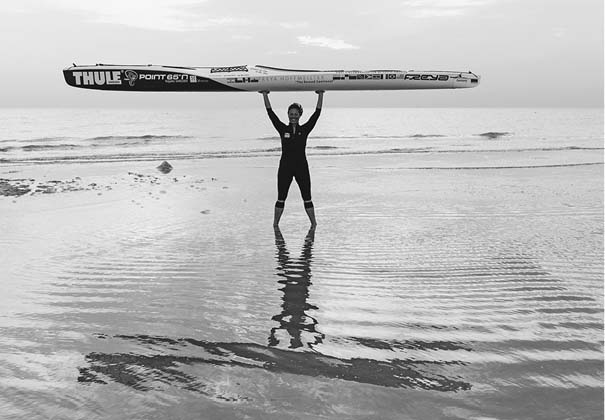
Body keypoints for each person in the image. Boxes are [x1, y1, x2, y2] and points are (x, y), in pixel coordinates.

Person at [260, 90, 324, 227]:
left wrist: (321, 95)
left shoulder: (305, 129)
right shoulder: (283, 129)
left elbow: (316, 115)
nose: (293, 116)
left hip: (302, 168)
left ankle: (314, 224)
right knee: (281, 198)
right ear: (288, 115)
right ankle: (275, 225)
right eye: (291, 114)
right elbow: (271, 114)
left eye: (296, 114)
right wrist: (265, 95)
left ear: (300, 115)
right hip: (285, 168)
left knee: (307, 197)